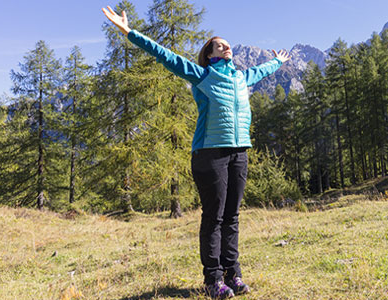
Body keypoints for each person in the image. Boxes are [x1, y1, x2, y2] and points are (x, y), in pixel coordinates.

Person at [102, 6, 291, 299]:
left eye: (227, 43)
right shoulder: (202, 75)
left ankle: (234, 275)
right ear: (210, 54)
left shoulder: (241, 78)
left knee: (232, 216)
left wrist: (278, 61)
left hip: (239, 152)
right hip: (209, 154)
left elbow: (262, 70)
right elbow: (165, 55)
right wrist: (129, 32)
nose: (226, 45)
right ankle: (212, 280)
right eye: (219, 44)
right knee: (214, 217)